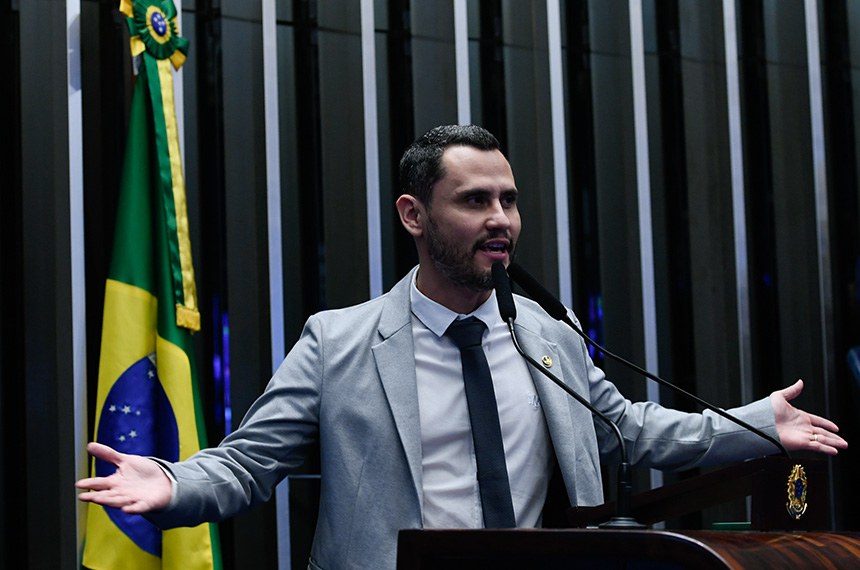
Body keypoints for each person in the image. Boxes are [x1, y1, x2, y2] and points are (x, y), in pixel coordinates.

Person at [78, 124, 848, 570]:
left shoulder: (549, 335)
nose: (501, 218)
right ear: (415, 215)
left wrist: (754, 425)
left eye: (508, 199)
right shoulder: (337, 341)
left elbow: (631, 429)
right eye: (475, 200)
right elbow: (249, 464)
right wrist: (173, 485)